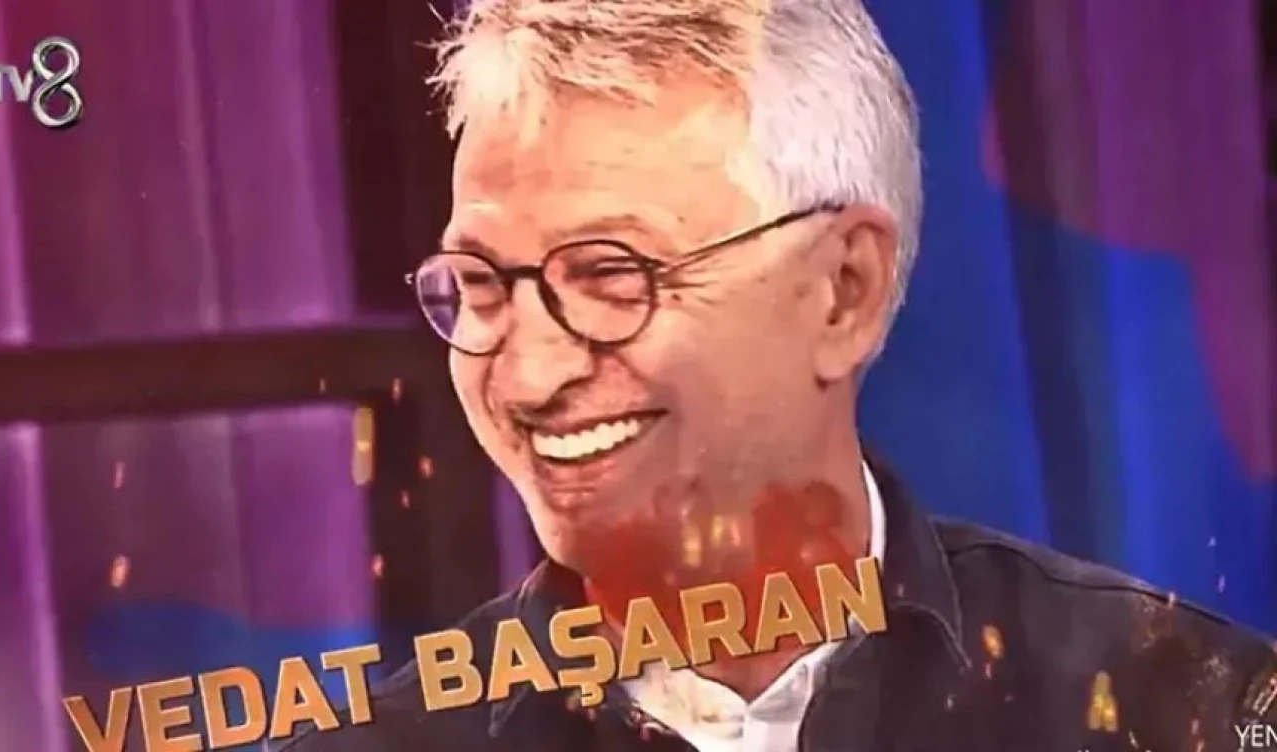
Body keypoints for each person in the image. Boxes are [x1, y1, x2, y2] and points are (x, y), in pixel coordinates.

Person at [285, 0, 1277, 749]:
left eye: (612, 276)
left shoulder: (1178, 709)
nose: (531, 375)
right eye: (482, 284)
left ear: (842, 291)